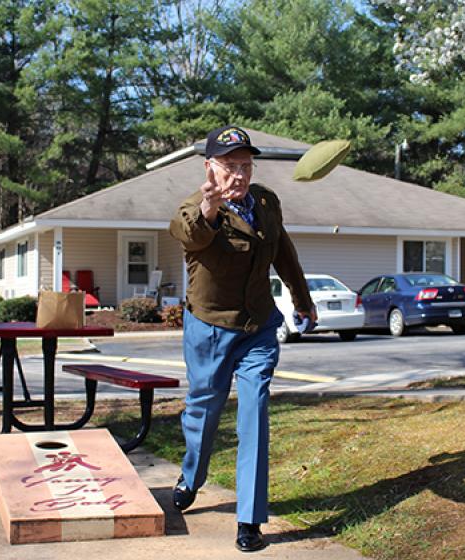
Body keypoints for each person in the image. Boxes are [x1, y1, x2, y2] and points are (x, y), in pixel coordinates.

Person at [167, 125, 317, 552]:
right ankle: (190, 477)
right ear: (210, 167)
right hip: (210, 327)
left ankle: (249, 519)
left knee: (255, 412)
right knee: (204, 411)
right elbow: (192, 235)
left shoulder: (266, 202)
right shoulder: (193, 209)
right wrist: (211, 209)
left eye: (245, 165)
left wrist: (301, 299)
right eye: (230, 165)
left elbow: (283, 250)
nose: (239, 174)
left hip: (258, 327)